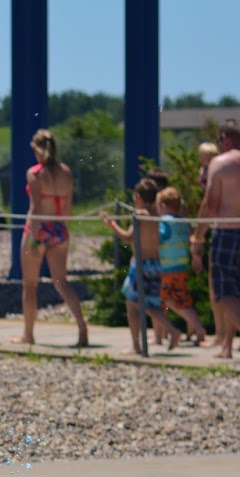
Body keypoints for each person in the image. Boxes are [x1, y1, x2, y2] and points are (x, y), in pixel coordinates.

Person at [13, 129, 89, 348]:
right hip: (59, 228)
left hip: (38, 228)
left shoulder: (35, 173)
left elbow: (35, 207)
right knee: (61, 282)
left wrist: (36, 240)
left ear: (36, 149)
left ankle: (28, 334)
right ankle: (82, 326)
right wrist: (63, 230)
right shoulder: (66, 172)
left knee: (30, 285)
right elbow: (67, 207)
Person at [101, 178, 175, 356]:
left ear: (138, 196)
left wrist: (111, 223)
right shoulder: (158, 214)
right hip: (156, 263)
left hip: (141, 264)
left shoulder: (140, 213)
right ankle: (170, 330)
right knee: (148, 303)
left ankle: (138, 345)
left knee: (133, 304)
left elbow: (127, 237)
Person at [193, 120, 240, 360]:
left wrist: (197, 237)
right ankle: (227, 348)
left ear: (227, 139)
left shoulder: (220, 164)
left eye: (220, 140)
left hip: (229, 231)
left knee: (224, 292)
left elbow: (210, 204)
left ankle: (227, 345)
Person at [155, 186, 207, 348]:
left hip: (167, 268)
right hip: (181, 267)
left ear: (162, 205)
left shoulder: (165, 222)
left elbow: (158, 238)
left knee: (166, 300)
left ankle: (197, 329)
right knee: (182, 300)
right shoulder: (183, 222)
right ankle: (193, 330)